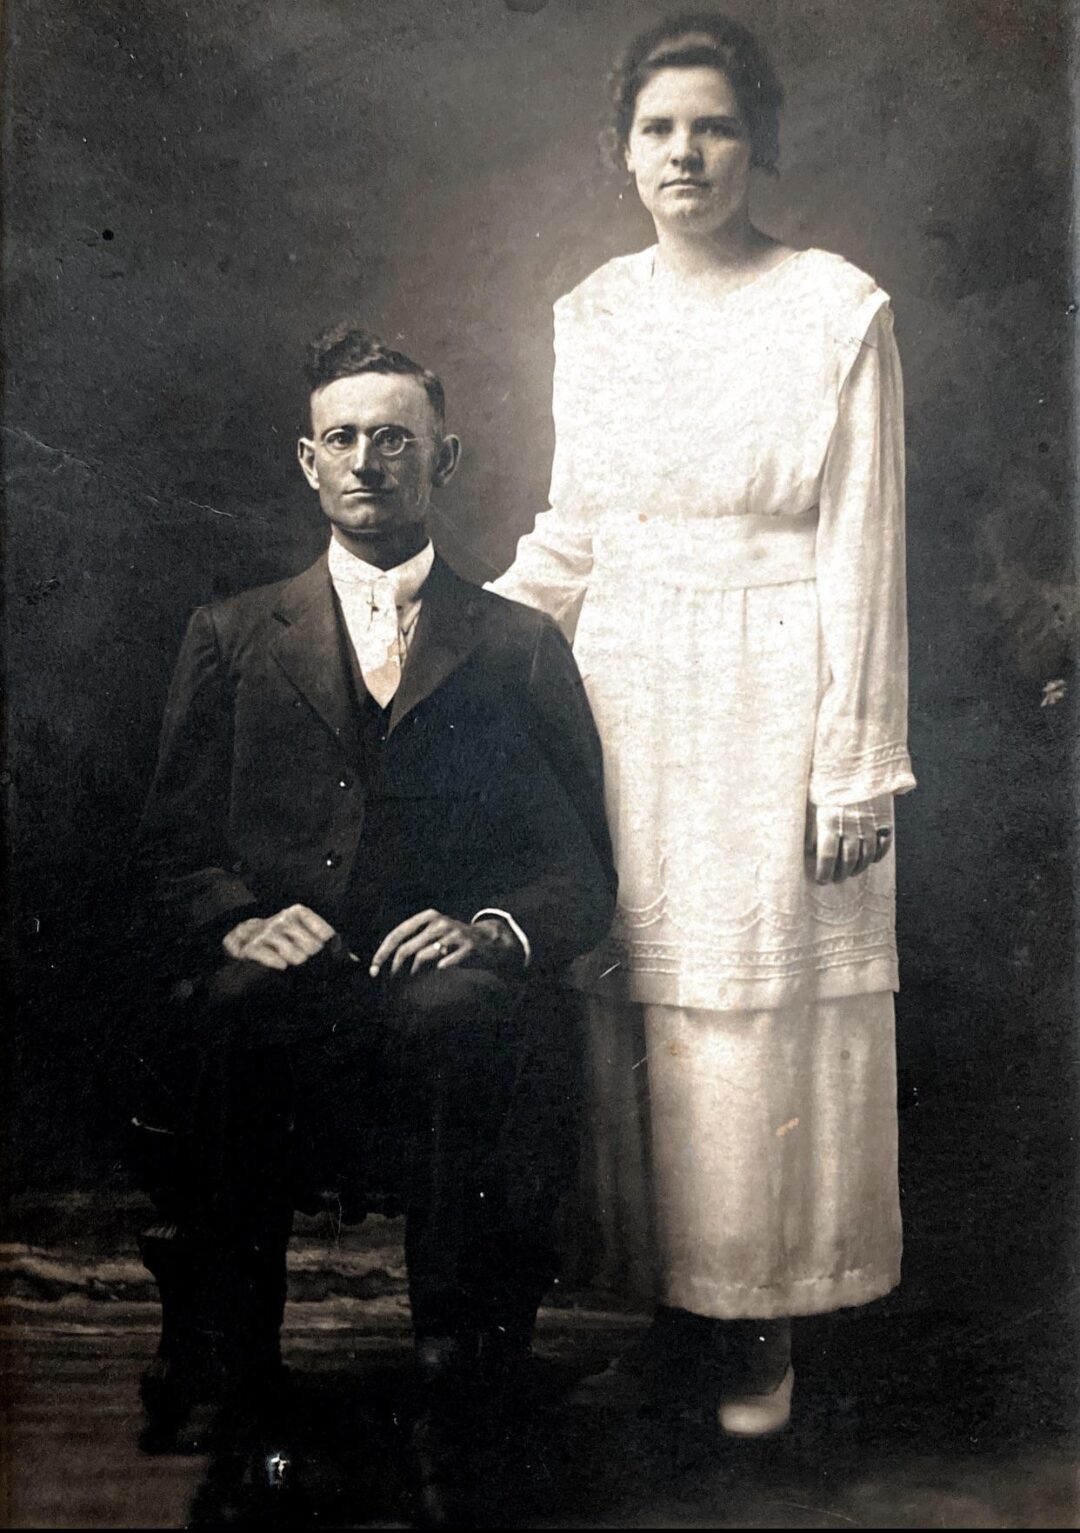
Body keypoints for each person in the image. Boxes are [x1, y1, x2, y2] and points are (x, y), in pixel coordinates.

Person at [490, 10, 915, 1434]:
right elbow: (574, 533)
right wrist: (456, 643)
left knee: (758, 1014)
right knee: (647, 1007)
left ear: (759, 143)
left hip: (774, 692)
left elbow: (865, 551)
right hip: (628, 690)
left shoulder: (834, 308)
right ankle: (679, 1312)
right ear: (624, 151)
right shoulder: (595, 312)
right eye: (660, 127)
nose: (687, 151)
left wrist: (856, 764)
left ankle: (761, 1326)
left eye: (715, 124)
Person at [124, 325, 616, 1520]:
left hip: (439, 990)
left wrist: (492, 925)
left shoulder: (515, 643)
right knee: (237, 1011)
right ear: (306, 460)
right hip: (292, 992)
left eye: (396, 439)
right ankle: (240, 1367)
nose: (367, 461)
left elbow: (578, 867)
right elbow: (169, 854)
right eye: (342, 437)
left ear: (444, 458)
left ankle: (464, 1371)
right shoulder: (235, 635)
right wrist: (240, 920)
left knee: (463, 1019)